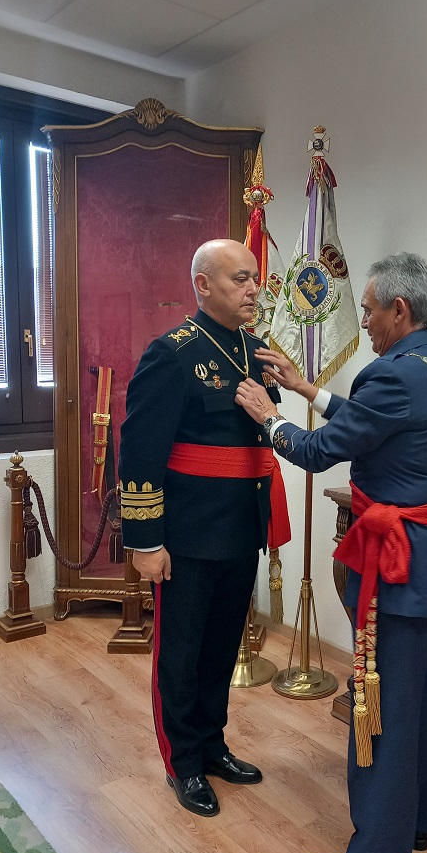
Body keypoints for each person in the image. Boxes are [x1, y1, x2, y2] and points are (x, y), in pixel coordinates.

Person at [235, 252, 427, 853]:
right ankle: (412, 826)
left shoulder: (389, 376)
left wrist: (268, 412)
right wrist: (310, 390)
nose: (361, 319)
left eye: (368, 308)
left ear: (400, 309)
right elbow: (377, 422)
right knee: (416, 706)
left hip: (401, 568)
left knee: (381, 710)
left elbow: (315, 453)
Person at [118, 239, 289, 818]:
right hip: (186, 537)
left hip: (241, 529)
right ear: (203, 285)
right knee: (182, 654)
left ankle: (213, 744)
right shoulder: (171, 354)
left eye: (254, 279)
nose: (252, 290)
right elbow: (140, 453)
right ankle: (183, 761)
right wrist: (145, 541)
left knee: (221, 648)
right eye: (239, 279)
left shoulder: (256, 351)